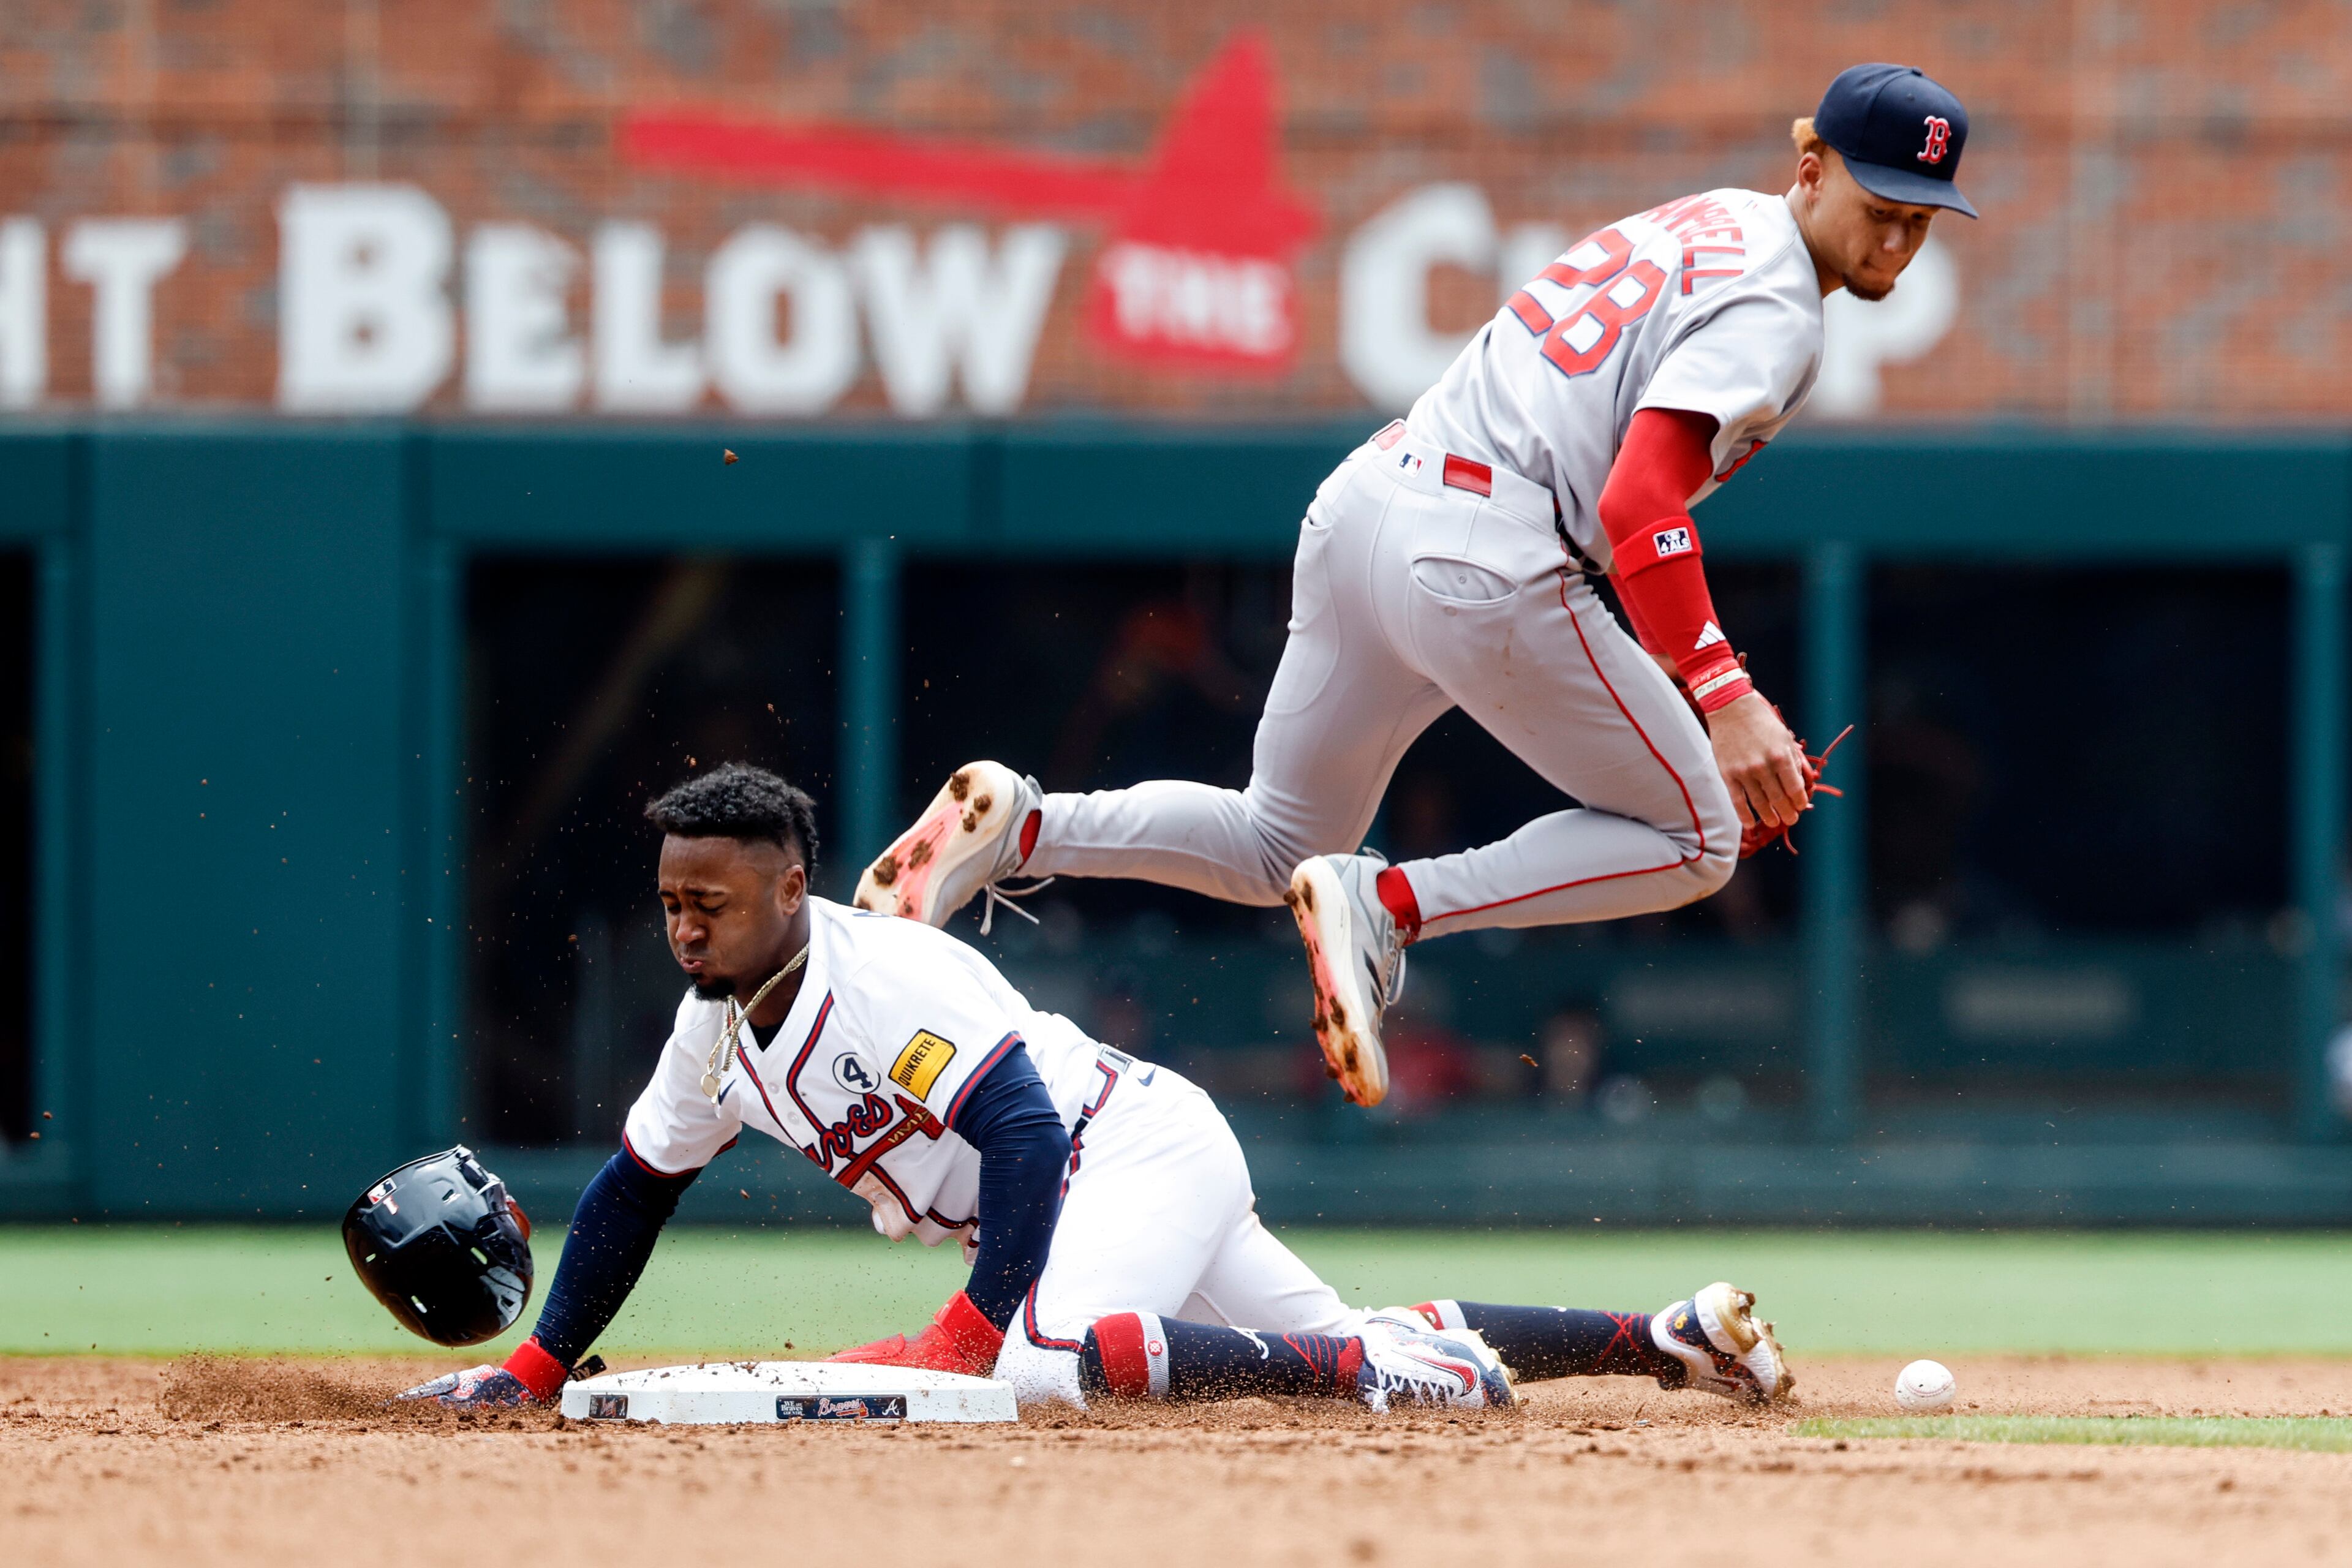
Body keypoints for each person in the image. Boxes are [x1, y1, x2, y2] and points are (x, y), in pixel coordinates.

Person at [854, 64, 1975, 1106]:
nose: (1896, 240)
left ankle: (1018, 826)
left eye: (1919, 219)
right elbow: (1639, 505)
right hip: (1489, 547)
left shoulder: (1716, 219)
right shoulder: (1779, 303)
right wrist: (1723, 694)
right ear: (1811, 163)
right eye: (1880, 207)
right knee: (1694, 836)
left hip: (1375, 504)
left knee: (1273, 847)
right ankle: (1391, 907)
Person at [403, 764, 1790, 1411]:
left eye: (710, 900)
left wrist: (970, 1324)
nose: (686, 928)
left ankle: (1387, 1375)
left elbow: (1016, 1129)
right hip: (1096, 1188)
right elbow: (632, 1191)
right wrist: (534, 1363)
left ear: (788, 885)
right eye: (668, 904)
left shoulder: (884, 975)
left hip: (1118, 1154)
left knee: (1048, 1366)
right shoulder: (711, 1031)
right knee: (1282, 1327)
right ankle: (1654, 1336)